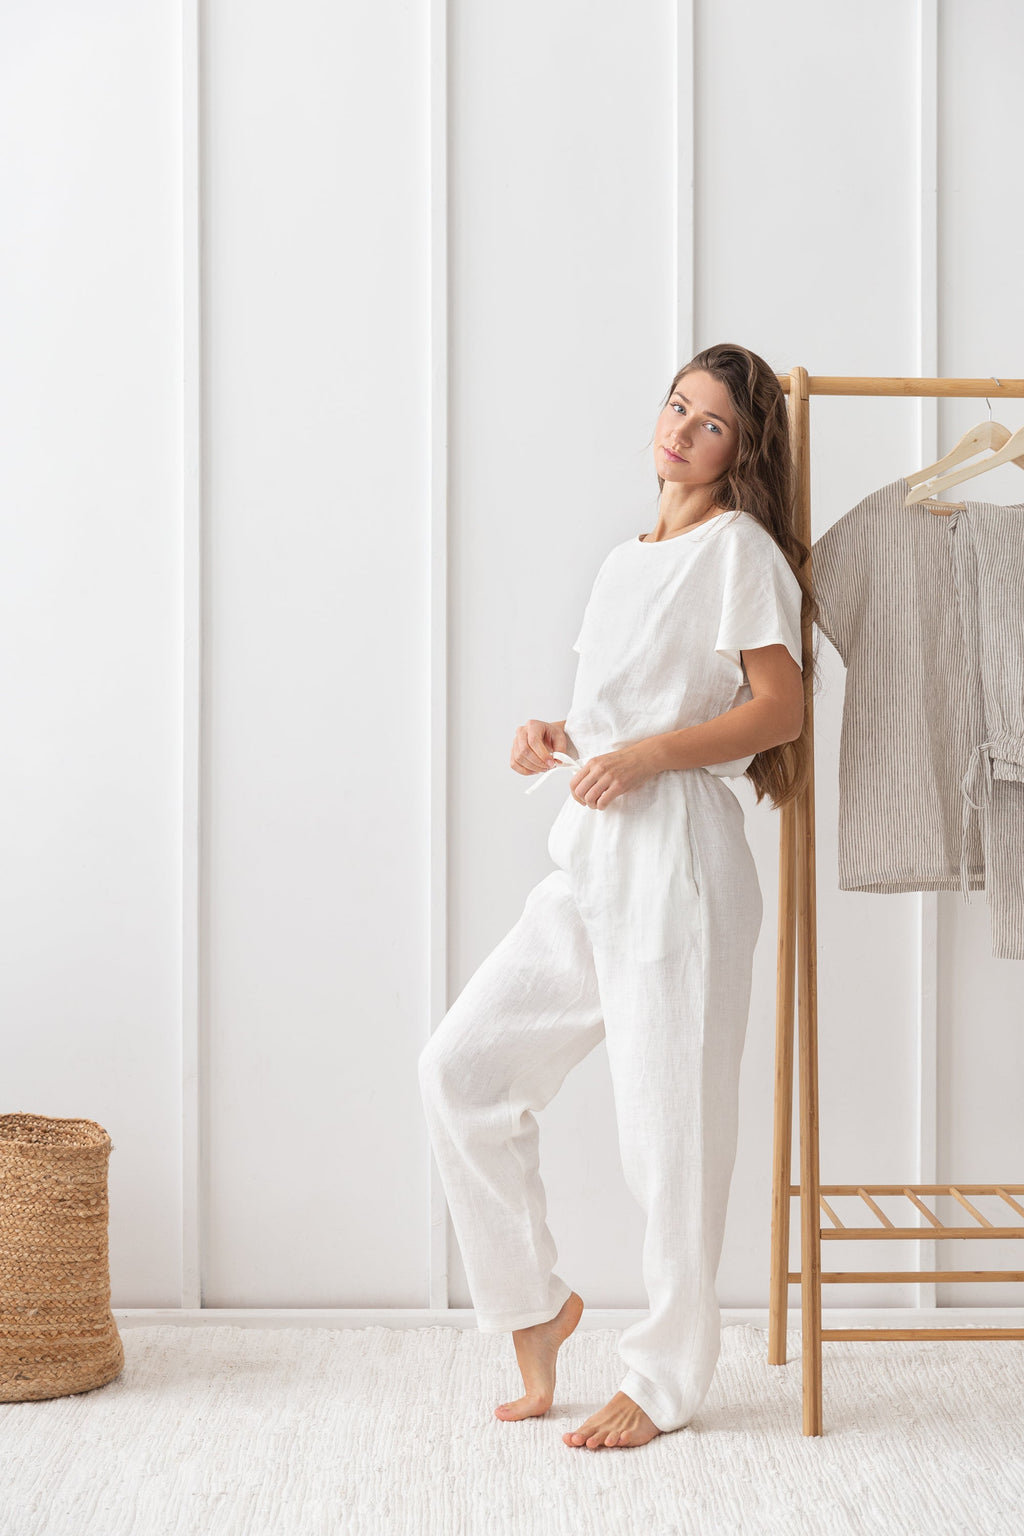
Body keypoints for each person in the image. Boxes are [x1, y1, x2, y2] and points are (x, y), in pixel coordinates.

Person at [418, 342, 821, 1449]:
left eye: (708, 425)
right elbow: (622, 708)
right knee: (461, 1068)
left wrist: (645, 757)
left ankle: (666, 1378)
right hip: (591, 858)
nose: (680, 433)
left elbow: (777, 709)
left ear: (741, 453)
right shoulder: (623, 559)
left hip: (680, 867)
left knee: (669, 1141)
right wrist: (564, 734)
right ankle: (536, 1307)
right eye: (676, 408)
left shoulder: (737, 549)